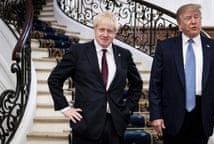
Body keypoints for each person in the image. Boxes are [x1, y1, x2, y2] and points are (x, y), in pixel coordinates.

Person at [48, 11, 143, 144]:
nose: (105, 34)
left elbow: (137, 84)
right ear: (95, 29)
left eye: (110, 31)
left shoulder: (124, 55)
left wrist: (127, 108)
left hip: (115, 125)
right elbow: (54, 79)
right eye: (101, 29)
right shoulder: (77, 52)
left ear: (115, 33)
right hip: (85, 124)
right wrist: (65, 108)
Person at [148, 3, 214, 144]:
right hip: (172, 114)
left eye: (196, 17)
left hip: (202, 114)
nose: (193, 21)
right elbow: (155, 84)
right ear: (180, 25)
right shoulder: (165, 47)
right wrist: (156, 115)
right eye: (188, 18)